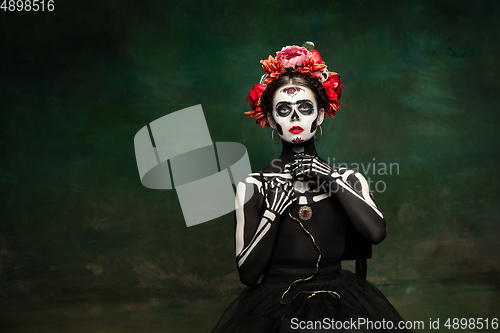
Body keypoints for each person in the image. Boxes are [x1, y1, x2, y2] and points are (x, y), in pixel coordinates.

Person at [211, 43, 412, 333]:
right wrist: (272, 213)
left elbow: (376, 233)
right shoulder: (254, 185)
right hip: (274, 303)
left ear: (319, 116)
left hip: (338, 299)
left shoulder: (349, 178)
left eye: (305, 108)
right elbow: (248, 274)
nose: (295, 117)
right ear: (270, 120)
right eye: (283, 109)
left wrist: (330, 179)